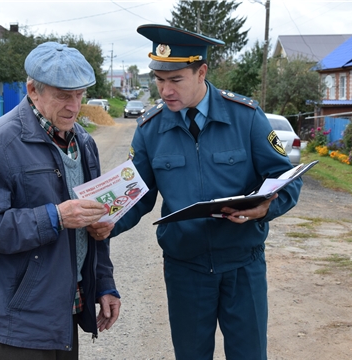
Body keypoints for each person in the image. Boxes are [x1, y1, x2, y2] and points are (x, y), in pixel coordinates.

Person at [89, 25, 303, 359]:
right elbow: (138, 195)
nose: (164, 90)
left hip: (242, 264)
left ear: (201, 72)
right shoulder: (151, 129)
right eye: (159, 79)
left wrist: (265, 209)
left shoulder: (245, 117)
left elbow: (286, 178)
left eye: (175, 80)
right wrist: (110, 221)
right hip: (185, 268)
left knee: (249, 354)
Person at [0, 42, 121, 360]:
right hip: (16, 315)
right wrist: (56, 217)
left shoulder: (83, 142)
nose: (74, 106)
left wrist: (104, 284)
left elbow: (92, 220)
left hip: (65, 306)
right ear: (33, 90)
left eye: (80, 94)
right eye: (63, 95)